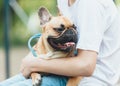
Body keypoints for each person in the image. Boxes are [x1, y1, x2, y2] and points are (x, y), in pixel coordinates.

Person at [0, 0, 120, 86]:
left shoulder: (91, 4)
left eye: (74, 28)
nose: (71, 33)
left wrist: (34, 64)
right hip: (58, 69)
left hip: (89, 79)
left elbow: (86, 66)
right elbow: (50, 34)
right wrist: (33, 58)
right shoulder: (63, 1)